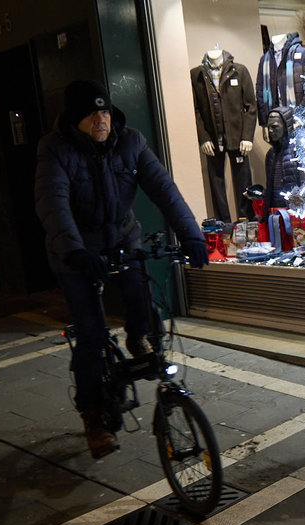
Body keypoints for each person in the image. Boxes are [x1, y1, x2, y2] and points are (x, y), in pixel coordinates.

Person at [35, 80, 208, 458]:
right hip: (75, 251)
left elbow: (164, 189)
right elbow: (53, 205)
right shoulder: (56, 150)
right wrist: (76, 252)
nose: (101, 119)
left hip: (120, 239)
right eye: (92, 113)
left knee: (142, 299)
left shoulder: (130, 142)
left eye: (106, 111)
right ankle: (93, 415)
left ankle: (138, 337)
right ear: (75, 119)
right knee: (92, 334)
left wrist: (192, 235)